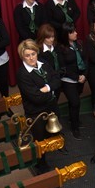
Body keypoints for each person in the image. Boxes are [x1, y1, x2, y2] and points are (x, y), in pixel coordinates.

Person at [16, 39, 61, 173]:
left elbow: (57, 80)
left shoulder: (44, 64)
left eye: (33, 54)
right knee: (39, 140)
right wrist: (51, 90)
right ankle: (40, 164)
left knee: (51, 133)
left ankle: (53, 149)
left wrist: (46, 88)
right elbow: (35, 98)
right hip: (36, 112)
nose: (31, 58)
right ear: (22, 57)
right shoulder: (22, 73)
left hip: (51, 107)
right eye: (27, 55)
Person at [58, 22, 87, 140]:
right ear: (66, 34)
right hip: (68, 80)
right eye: (72, 32)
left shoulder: (79, 43)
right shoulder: (60, 48)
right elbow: (62, 68)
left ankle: (73, 118)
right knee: (75, 102)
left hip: (81, 78)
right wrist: (76, 77)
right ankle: (75, 128)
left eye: (75, 30)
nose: (76, 33)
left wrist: (84, 75)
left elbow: (85, 59)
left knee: (74, 101)